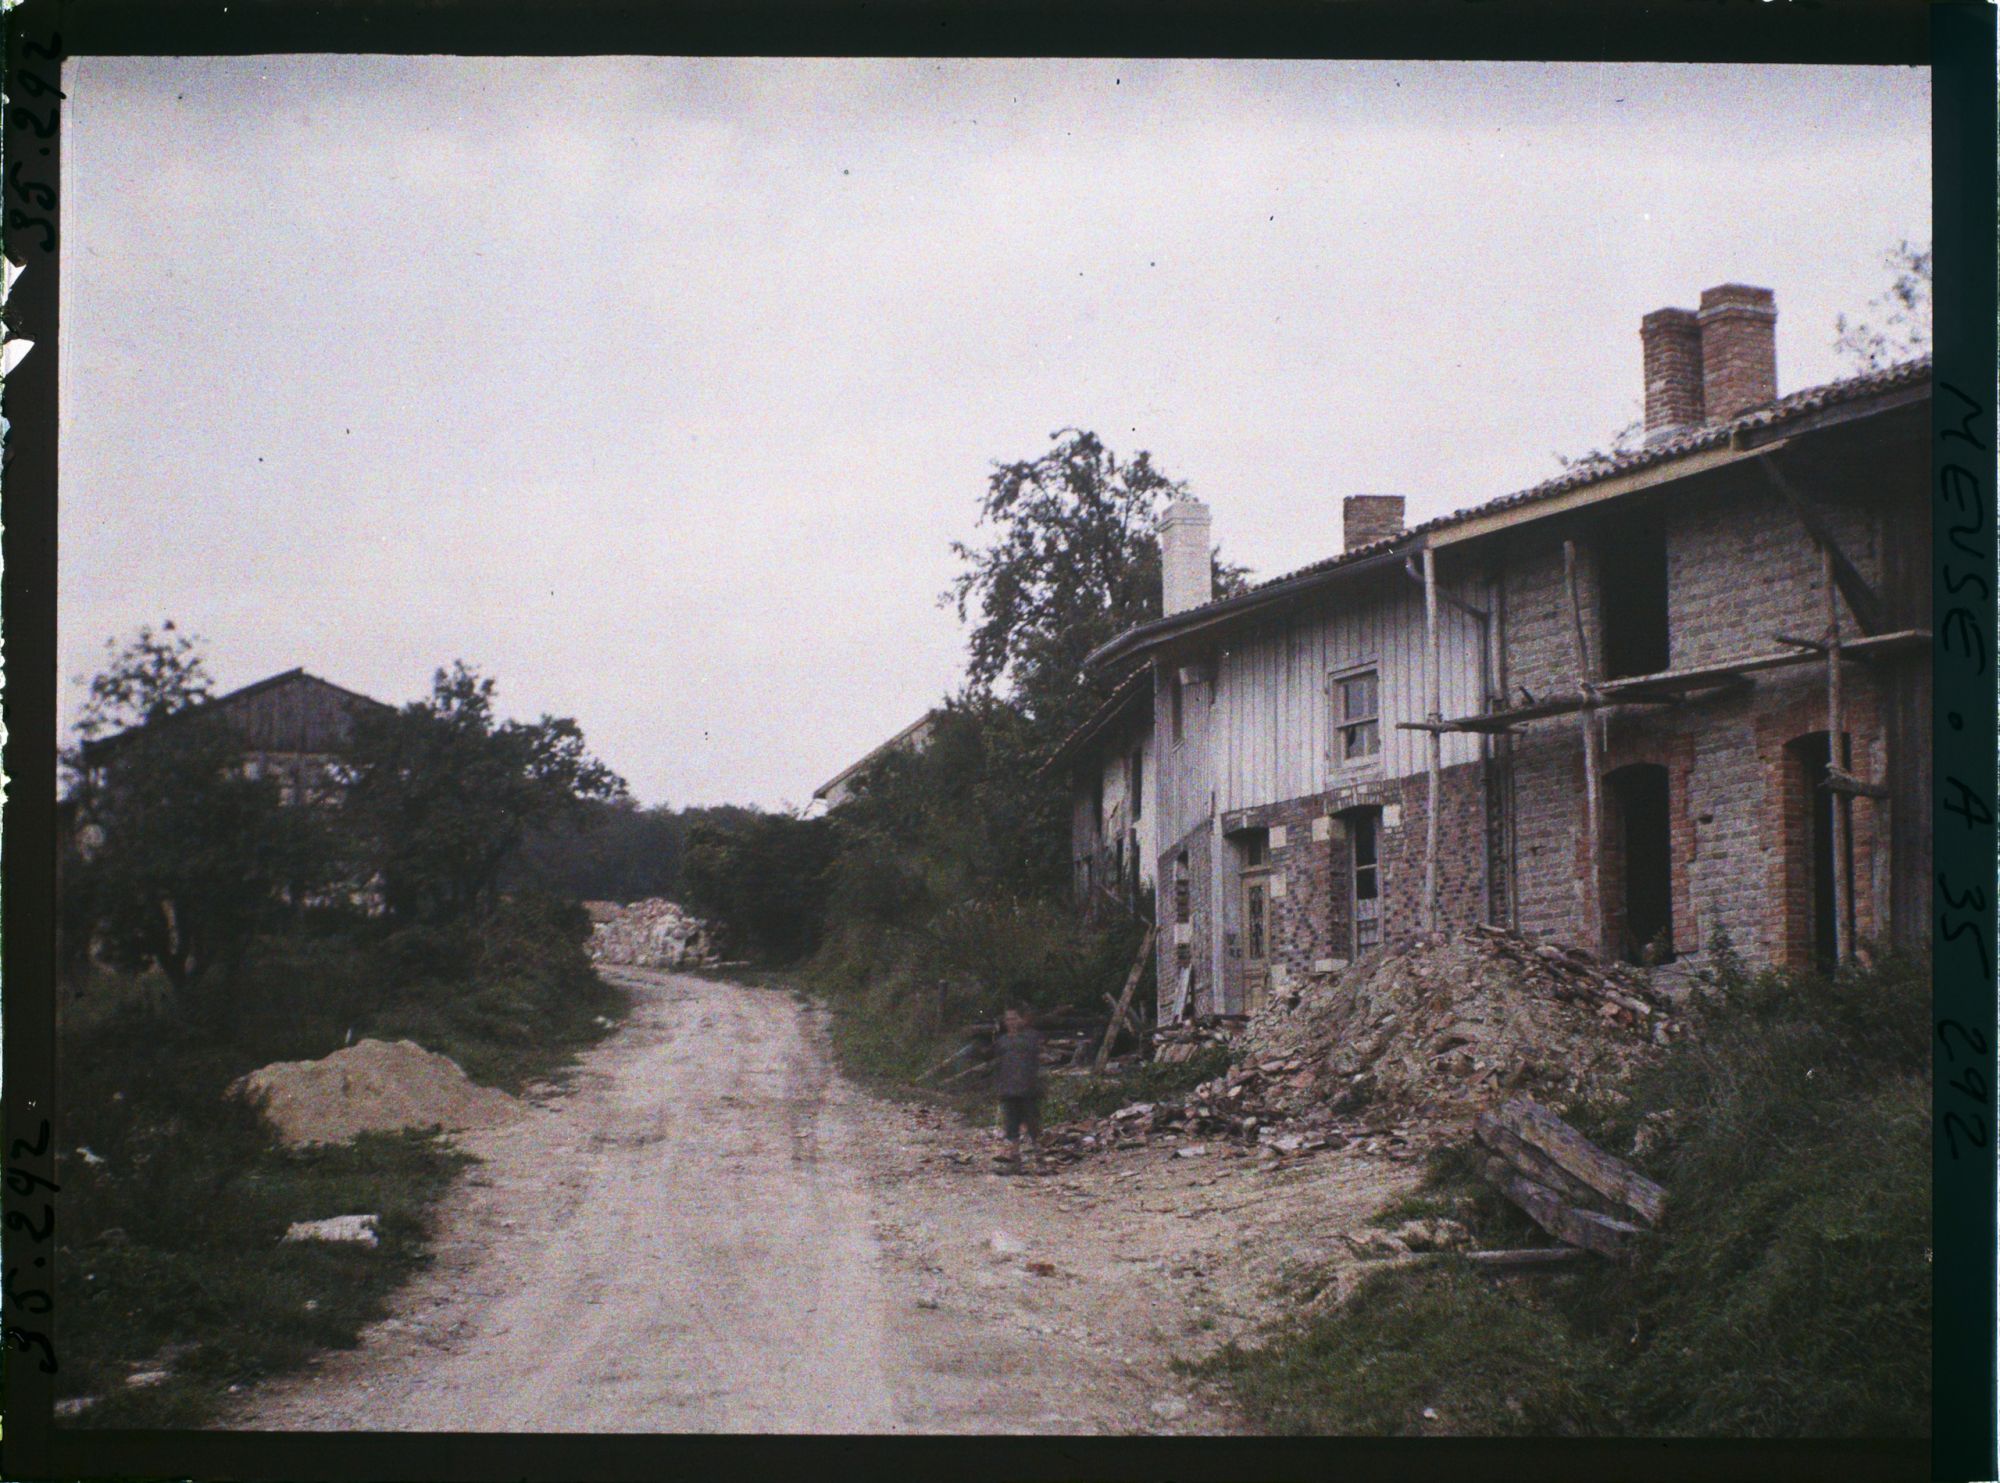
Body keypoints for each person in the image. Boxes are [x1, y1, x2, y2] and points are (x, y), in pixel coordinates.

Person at [992, 1005, 1043, 1170]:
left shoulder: (1031, 1038)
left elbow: (1035, 1063)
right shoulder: (1002, 1042)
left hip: (1028, 1089)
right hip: (1008, 1090)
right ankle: (1015, 1161)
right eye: (1008, 1019)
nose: (1011, 1022)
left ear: (1021, 1019)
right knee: (1011, 1127)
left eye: (1014, 1018)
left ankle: (1040, 1160)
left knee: (1033, 1126)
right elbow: (999, 1066)